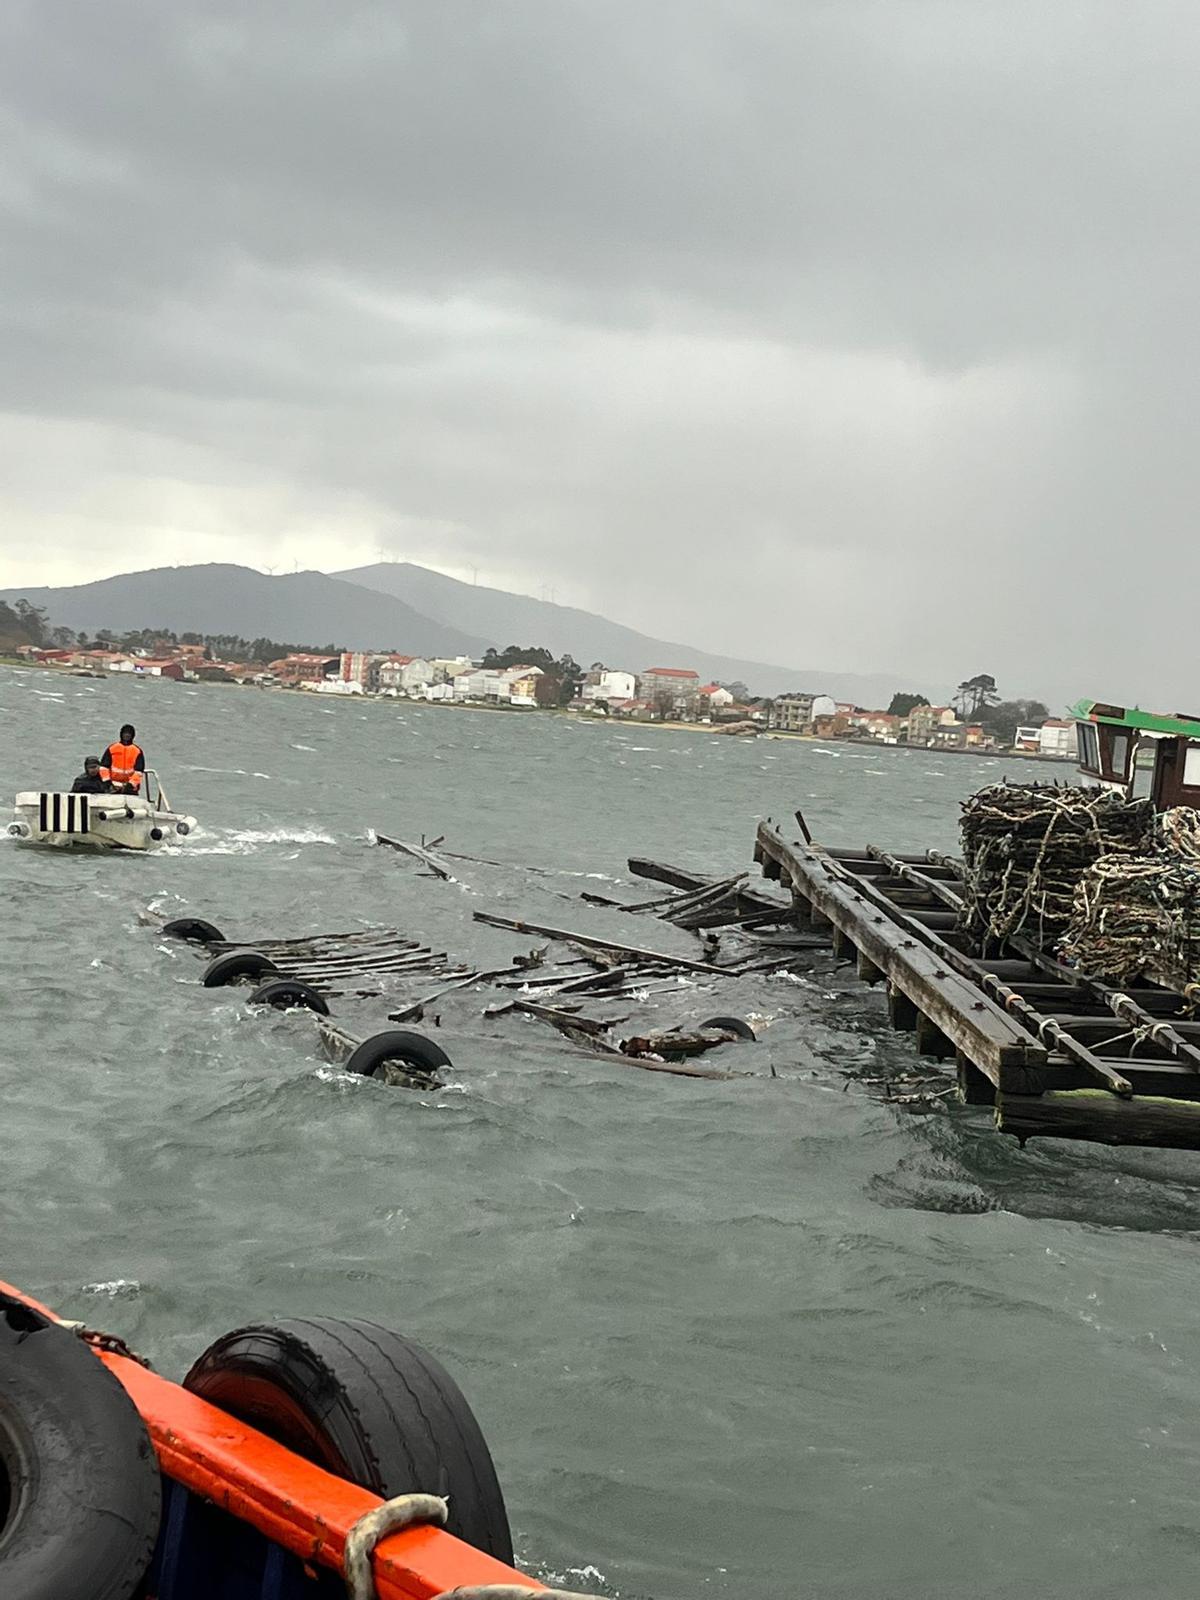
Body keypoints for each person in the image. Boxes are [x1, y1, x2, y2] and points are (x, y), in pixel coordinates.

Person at [100, 724, 145, 793]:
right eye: (125, 733)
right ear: (121, 734)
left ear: (133, 735)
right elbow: (104, 768)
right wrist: (107, 783)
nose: (127, 735)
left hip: (131, 787)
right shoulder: (112, 748)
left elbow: (139, 771)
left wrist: (130, 785)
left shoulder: (137, 751)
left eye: (129, 733)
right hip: (112, 786)